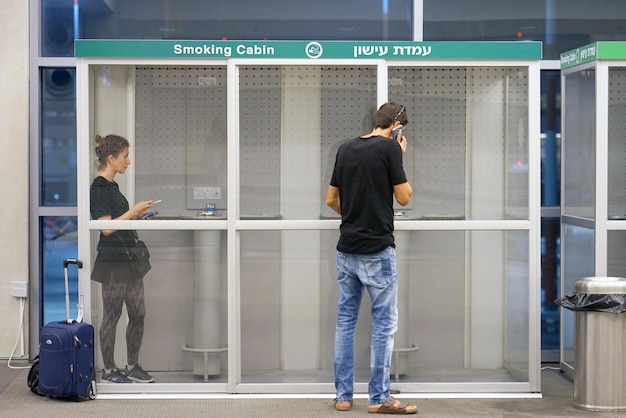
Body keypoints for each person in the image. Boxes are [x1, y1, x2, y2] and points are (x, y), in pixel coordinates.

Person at [326, 102, 417, 414]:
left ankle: (343, 396)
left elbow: (330, 199)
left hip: (346, 249)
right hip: (377, 251)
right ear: (396, 126)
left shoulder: (345, 148)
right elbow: (404, 197)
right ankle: (379, 398)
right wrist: (399, 156)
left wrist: (354, 217)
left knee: (345, 321)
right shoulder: (390, 149)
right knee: (383, 324)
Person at [90, 134, 157, 384]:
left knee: (138, 313)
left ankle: (131, 365)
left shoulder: (113, 187)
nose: (128, 161)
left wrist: (139, 217)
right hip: (113, 261)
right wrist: (134, 211)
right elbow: (105, 228)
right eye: (125, 156)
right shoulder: (98, 187)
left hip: (128, 260)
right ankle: (109, 370)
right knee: (112, 315)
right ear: (111, 158)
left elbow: (119, 223)